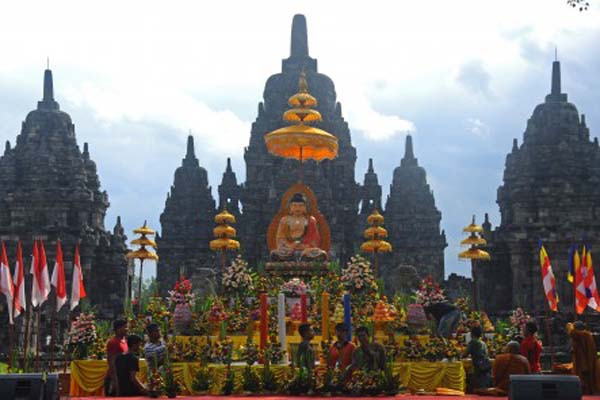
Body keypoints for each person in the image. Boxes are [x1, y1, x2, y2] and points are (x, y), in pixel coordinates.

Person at [271, 193, 327, 261]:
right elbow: (280, 238)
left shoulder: (311, 220)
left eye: (301, 205)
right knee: (275, 253)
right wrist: (289, 245)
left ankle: (303, 257)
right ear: (290, 207)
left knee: (321, 254)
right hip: (288, 250)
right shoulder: (284, 220)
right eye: (294, 205)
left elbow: (315, 238)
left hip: (306, 250)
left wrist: (306, 246)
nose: (297, 208)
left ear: (305, 207)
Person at [567, 321, 597, 394]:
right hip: (583, 360)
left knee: (585, 379)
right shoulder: (585, 335)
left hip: (584, 361)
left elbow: (572, 333)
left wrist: (570, 326)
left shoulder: (583, 335)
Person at [105, 319, 128, 396]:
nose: (127, 329)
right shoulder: (113, 342)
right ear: (118, 329)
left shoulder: (124, 340)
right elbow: (111, 362)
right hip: (114, 379)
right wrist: (115, 381)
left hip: (122, 377)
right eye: (125, 327)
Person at [465, 326, 491, 390]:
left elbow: (465, 354)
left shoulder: (472, 342)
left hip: (478, 364)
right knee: (485, 379)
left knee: (479, 380)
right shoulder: (483, 343)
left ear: (472, 334)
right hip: (486, 362)